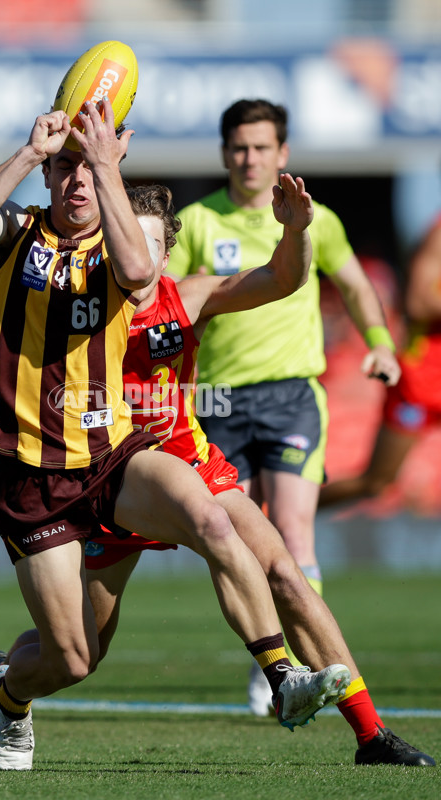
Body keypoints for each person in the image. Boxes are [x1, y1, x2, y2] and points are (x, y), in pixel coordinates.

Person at [0, 183, 435, 767]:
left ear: (164, 255)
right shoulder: (72, 300)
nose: (132, 251)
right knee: (78, 654)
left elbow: (281, 280)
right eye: (121, 237)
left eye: (147, 243)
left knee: (280, 568)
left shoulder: (185, 297)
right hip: (100, 476)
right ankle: (9, 684)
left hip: (182, 464)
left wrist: (294, 230)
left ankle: (366, 732)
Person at [166, 99, 402, 715]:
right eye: (240, 147)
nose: (250, 158)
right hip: (215, 399)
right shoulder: (194, 222)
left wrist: (379, 345)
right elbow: (162, 301)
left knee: (295, 531)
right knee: (239, 543)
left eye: (262, 147)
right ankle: (273, 663)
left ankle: (307, 668)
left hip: (292, 393)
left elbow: (354, 284)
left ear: (283, 154)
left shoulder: (311, 218)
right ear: (225, 153)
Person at [319, 212, 441, 508]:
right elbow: (418, 300)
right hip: (425, 378)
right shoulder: (438, 234)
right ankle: (275, 513)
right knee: (377, 482)